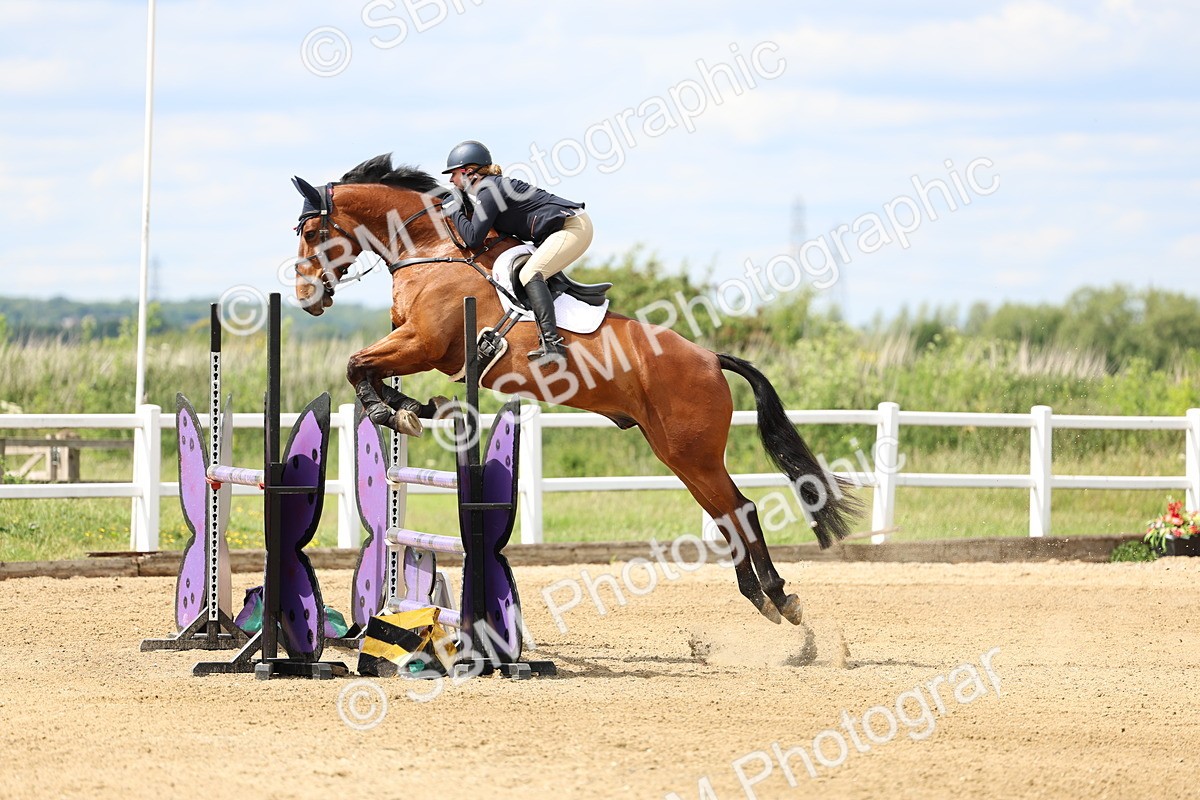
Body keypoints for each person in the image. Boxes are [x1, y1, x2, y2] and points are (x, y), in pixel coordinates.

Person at [440, 140, 593, 364]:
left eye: (453, 174)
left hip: (573, 227)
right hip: (558, 231)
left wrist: (453, 210)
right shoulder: (487, 190)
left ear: (468, 172)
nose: (450, 181)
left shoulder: (489, 189)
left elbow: (472, 238)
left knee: (530, 273)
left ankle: (552, 344)